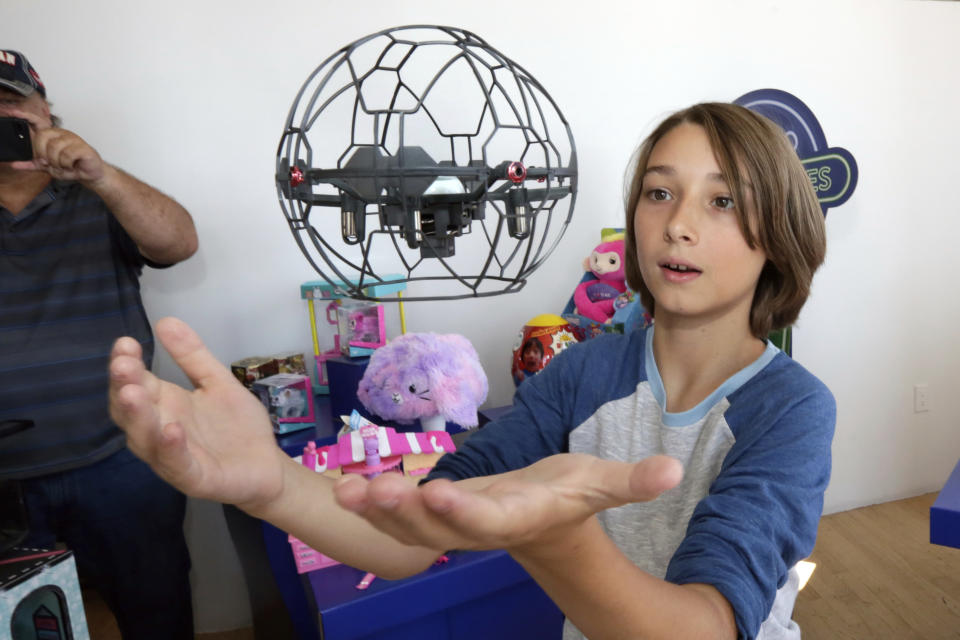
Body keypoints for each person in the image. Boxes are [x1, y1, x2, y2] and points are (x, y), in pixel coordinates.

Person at [107, 102, 834, 640]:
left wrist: (554, 539)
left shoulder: (791, 408)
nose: (678, 223)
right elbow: (411, 535)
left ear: (778, 234)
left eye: (724, 201)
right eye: (658, 191)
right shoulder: (585, 375)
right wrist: (269, 481)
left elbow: (706, 626)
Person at [0, 50, 198, 639]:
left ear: (45, 112)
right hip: (4, 478)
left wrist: (99, 172)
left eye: (11, 102)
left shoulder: (99, 194)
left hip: (120, 457)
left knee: (156, 612)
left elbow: (178, 243)